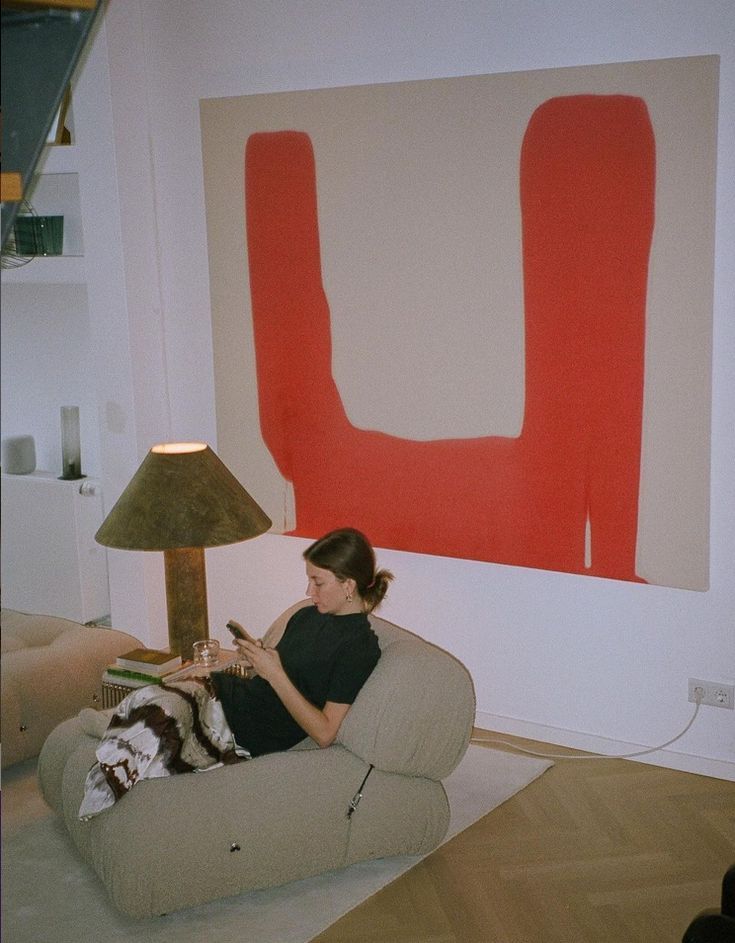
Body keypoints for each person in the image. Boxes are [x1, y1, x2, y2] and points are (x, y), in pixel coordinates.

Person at [78, 528, 392, 820]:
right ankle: (125, 721)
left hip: (247, 729)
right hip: (227, 696)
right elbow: (283, 671)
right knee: (164, 695)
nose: (309, 590)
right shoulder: (308, 615)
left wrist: (275, 674)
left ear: (348, 585)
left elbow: (325, 734)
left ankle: (116, 745)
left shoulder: (359, 649)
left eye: (318, 582)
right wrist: (258, 661)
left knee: (164, 715)